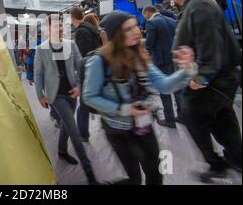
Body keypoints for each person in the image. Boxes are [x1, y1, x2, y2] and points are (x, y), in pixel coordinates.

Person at [82, 11, 196, 185]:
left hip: (144, 125)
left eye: (136, 25)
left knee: (156, 174)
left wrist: (187, 70)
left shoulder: (139, 55)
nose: (136, 31)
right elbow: (89, 97)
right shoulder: (99, 61)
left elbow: (164, 84)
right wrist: (125, 109)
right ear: (116, 35)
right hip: (118, 129)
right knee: (134, 179)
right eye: (128, 29)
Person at [169, 0, 242, 182]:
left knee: (191, 115)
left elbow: (211, 48)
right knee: (222, 118)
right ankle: (237, 158)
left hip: (213, 81)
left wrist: (199, 79)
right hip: (220, 80)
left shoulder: (199, 6)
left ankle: (216, 164)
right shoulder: (196, 6)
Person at [34, 14, 97, 184]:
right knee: (73, 129)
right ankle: (90, 174)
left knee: (66, 126)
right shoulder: (41, 48)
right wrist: (40, 95)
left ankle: (62, 152)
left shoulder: (71, 45)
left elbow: (80, 67)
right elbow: (38, 73)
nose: (60, 28)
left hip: (72, 93)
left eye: (61, 25)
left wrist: (79, 86)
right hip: (56, 96)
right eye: (56, 26)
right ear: (48, 29)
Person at [143, 5, 183, 128]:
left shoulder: (151, 23)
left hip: (161, 61)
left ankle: (170, 120)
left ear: (148, 13)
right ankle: (183, 116)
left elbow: (150, 43)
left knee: (164, 91)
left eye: (144, 15)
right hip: (174, 59)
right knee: (177, 89)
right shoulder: (171, 20)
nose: (144, 18)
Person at [71, 7, 102, 142]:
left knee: (83, 105)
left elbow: (82, 55)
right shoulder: (92, 29)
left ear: (72, 18)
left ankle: (83, 134)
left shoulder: (81, 32)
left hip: (88, 70)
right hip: (97, 67)